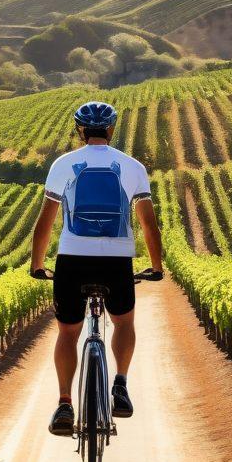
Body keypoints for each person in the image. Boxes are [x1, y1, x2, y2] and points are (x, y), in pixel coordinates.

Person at [29, 101, 163, 436]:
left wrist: (37, 264)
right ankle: (120, 384)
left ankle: (63, 404)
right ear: (112, 130)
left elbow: (44, 224)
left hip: (73, 260)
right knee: (123, 322)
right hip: (117, 262)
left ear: (80, 130)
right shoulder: (132, 167)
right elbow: (149, 225)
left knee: (68, 333)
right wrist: (156, 266)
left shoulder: (63, 165)